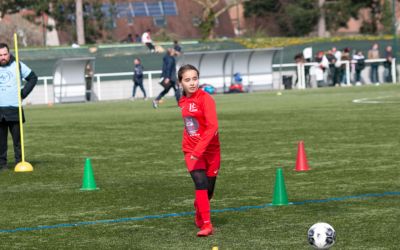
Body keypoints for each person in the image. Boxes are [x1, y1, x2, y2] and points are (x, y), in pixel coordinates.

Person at [177, 64, 220, 237]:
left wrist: (200, 149)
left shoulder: (206, 99)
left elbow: (213, 127)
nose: (192, 83)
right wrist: (193, 151)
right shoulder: (182, 101)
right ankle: (207, 225)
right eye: (187, 80)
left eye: (195, 79)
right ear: (181, 83)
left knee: (208, 191)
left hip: (211, 150)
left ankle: (198, 210)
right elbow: (189, 125)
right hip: (191, 150)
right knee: (200, 184)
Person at [0, 43, 37, 170]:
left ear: (9, 54)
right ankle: (2, 164)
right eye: (0, 55)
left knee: (17, 140)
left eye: (5, 54)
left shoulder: (18, 65)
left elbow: (33, 78)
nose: (3, 57)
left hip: (14, 108)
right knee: (1, 141)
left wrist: (23, 93)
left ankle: (19, 162)